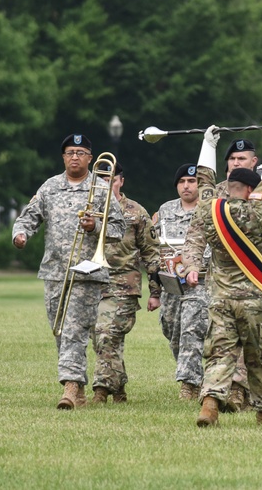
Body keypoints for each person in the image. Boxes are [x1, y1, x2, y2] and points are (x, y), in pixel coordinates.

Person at [182, 121, 262, 427]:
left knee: (220, 352)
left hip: (219, 296)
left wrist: (209, 143)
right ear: (248, 189)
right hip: (254, 298)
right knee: (258, 356)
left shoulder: (209, 208)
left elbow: (204, 177)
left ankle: (209, 405)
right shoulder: (259, 212)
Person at [12, 134, 126, 409]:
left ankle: (70, 388)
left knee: (74, 329)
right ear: (63, 157)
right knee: (60, 331)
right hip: (54, 271)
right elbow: (29, 216)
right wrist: (21, 234)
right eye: (70, 152)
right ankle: (79, 390)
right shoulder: (50, 187)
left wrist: (95, 227)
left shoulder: (100, 189)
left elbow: (119, 230)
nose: (75, 156)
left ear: (90, 157)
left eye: (81, 152)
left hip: (87, 273)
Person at [92, 163, 163, 404]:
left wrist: (156, 291)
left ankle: (101, 390)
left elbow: (151, 253)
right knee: (103, 338)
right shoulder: (88, 211)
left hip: (123, 286)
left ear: (121, 181)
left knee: (105, 333)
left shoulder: (135, 212)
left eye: (110, 179)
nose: (105, 184)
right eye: (99, 180)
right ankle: (119, 387)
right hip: (91, 283)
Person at [154, 163, 207, 400]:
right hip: (170, 285)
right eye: (182, 181)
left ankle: (188, 384)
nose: (187, 186)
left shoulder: (208, 209)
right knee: (172, 331)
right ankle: (195, 375)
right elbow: (153, 247)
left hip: (200, 283)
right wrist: (154, 290)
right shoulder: (165, 210)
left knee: (191, 331)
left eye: (192, 181)